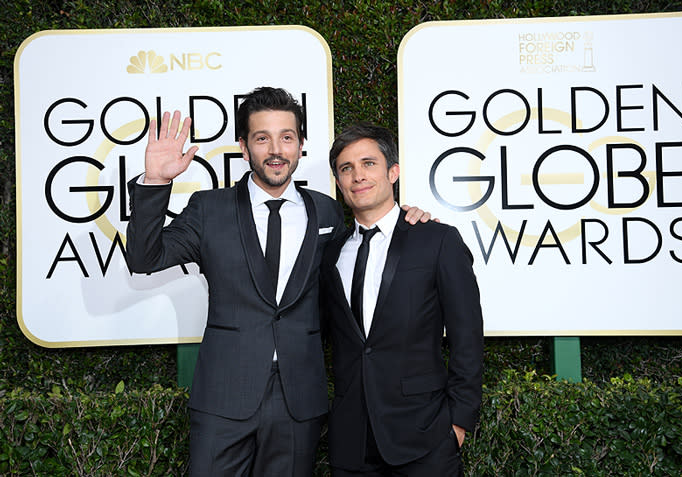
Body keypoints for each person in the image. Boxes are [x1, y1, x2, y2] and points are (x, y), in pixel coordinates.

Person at [126, 87, 429, 476]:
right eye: (262, 138)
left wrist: (410, 222)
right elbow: (143, 258)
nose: (276, 149)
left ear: (300, 145)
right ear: (243, 146)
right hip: (223, 398)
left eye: (287, 137)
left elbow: (371, 249)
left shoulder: (328, 211)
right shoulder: (209, 210)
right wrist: (154, 181)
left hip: (298, 401)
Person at [321, 123, 484, 476]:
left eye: (369, 164)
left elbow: (466, 337)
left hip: (425, 438)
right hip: (352, 444)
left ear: (393, 172)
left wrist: (458, 423)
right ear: (338, 182)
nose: (358, 176)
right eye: (346, 168)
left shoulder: (437, 240)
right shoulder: (330, 253)